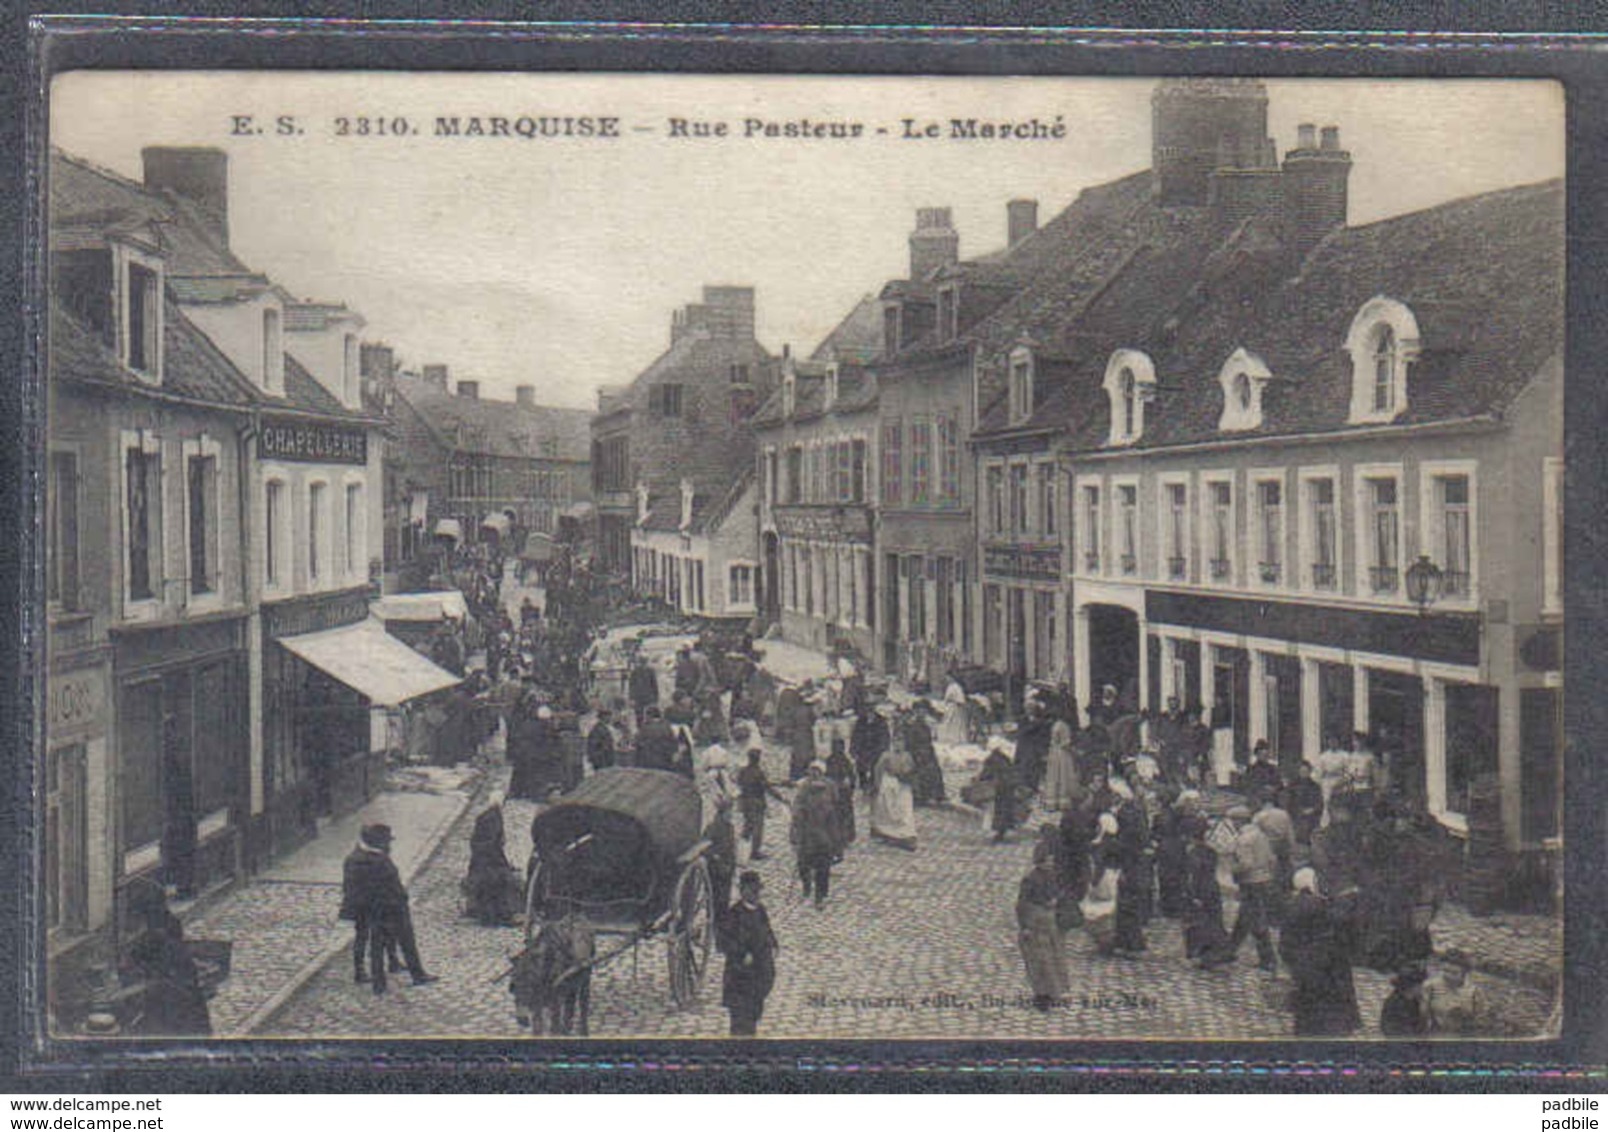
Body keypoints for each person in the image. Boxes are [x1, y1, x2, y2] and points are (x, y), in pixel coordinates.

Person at [340, 823, 438, 994]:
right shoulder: (380, 861)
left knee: (376, 945)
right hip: (392, 908)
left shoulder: (353, 859)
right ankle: (417, 974)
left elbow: (350, 886)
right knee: (407, 941)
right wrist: (402, 900)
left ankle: (378, 983)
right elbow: (393, 886)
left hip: (369, 909)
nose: (389, 845)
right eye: (387, 842)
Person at [120, 878, 211, 1036]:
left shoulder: (156, 938)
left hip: (172, 1007)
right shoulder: (168, 925)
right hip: (185, 1004)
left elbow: (157, 979)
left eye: (135, 914)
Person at [1279, 867, 1361, 1036]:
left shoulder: (1295, 904)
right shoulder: (1314, 904)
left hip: (1304, 966)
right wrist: (1348, 898)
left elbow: (1285, 944)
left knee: (1307, 1011)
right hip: (1322, 965)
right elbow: (1337, 919)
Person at [719, 871, 778, 1037]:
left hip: (759, 971)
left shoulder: (760, 910)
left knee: (754, 1011)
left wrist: (773, 943)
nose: (755, 895)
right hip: (740, 973)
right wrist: (741, 953)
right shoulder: (734, 914)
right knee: (740, 1015)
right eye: (751, 891)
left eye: (757, 891)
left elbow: (767, 930)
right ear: (742, 891)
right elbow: (726, 941)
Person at [1225, 805, 1279, 972]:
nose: (1232, 824)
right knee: (1244, 919)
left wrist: (1231, 868)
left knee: (1255, 921)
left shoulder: (1243, 839)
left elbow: (1245, 864)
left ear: (1239, 821)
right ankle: (1229, 950)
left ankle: (1268, 958)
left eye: (1233, 820)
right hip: (1264, 879)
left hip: (1250, 882)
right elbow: (1272, 858)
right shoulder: (1260, 835)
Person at [1016, 846, 1069, 1012]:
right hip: (1035, 922)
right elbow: (1022, 904)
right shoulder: (1031, 879)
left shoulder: (1052, 876)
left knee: (1052, 959)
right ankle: (1042, 995)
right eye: (1048, 860)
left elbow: (1060, 893)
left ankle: (1053, 993)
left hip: (1049, 923)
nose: (1051, 863)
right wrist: (1025, 926)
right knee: (1039, 961)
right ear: (1040, 861)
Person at [463, 791, 521, 927]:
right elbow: (492, 843)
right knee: (502, 882)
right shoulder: (493, 818)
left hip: (482, 860)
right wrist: (502, 862)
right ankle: (502, 915)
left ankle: (494, 915)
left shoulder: (489, 816)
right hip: (488, 861)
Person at [1182, 814, 1231, 967]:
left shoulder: (1193, 853)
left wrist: (1192, 894)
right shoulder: (1210, 851)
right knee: (1213, 919)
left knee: (1196, 921)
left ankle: (1198, 954)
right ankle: (1215, 950)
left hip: (1199, 889)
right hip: (1212, 888)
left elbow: (1193, 875)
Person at [791, 761, 840, 907]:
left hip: (815, 842)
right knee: (814, 868)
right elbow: (797, 822)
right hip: (815, 841)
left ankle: (816, 894)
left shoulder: (819, 806)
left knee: (817, 868)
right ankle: (815, 894)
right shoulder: (806, 805)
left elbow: (833, 826)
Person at [736, 747, 787, 861]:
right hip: (757, 803)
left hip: (745, 802)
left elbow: (738, 783)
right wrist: (780, 797)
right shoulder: (758, 772)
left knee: (747, 826)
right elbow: (767, 787)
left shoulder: (743, 771)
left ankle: (741, 851)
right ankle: (754, 852)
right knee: (757, 828)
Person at [1422, 950, 1488, 1036]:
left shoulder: (1474, 992)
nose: (1448, 976)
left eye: (1454, 973)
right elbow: (1424, 1016)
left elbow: (1481, 1021)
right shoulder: (1430, 986)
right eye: (1445, 971)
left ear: (1464, 973)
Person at [870, 740, 918, 851]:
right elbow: (878, 769)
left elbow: (912, 769)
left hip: (903, 785)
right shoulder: (886, 755)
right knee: (888, 808)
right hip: (889, 784)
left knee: (904, 809)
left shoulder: (907, 756)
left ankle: (906, 833)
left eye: (901, 742)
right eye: (896, 742)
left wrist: (906, 774)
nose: (898, 745)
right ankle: (888, 831)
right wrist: (878, 784)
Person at [977, 738, 1020, 843]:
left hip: (997, 789)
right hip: (1007, 788)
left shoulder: (990, 760)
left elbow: (985, 775)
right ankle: (1004, 829)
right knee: (1005, 809)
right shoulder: (1006, 759)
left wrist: (978, 779)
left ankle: (996, 832)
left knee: (994, 811)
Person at [903, 705, 946, 807]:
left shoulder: (926, 727)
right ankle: (922, 796)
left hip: (927, 752)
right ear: (916, 712)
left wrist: (930, 752)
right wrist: (915, 754)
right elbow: (909, 743)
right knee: (921, 772)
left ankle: (935, 795)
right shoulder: (911, 727)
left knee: (934, 771)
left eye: (924, 712)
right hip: (917, 753)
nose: (922, 714)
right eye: (920, 712)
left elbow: (929, 741)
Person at [702, 795, 738, 912]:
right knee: (715, 899)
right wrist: (715, 857)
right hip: (716, 869)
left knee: (725, 898)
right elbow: (704, 847)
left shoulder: (730, 827)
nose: (731, 815)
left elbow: (732, 847)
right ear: (722, 813)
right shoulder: (713, 827)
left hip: (727, 869)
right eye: (729, 812)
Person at [1013, 695, 1054, 795]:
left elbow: (1044, 734)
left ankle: (1033, 787)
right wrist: (1036, 724)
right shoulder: (1023, 720)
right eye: (1028, 708)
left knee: (1035, 768)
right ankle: (1025, 788)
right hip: (1025, 747)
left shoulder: (1041, 720)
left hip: (1036, 748)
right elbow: (1022, 733)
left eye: (1032, 708)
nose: (1030, 710)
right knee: (1025, 768)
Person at [824, 738, 857, 853]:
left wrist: (849, 783)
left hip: (843, 794)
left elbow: (852, 777)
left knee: (844, 816)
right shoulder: (829, 761)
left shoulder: (846, 761)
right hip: (834, 793)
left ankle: (844, 837)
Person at [849, 703, 891, 794]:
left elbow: (885, 737)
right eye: (867, 711)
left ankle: (874, 786)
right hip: (863, 749)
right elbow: (855, 736)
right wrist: (853, 749)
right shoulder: (861, 721)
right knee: (860, 765)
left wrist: (882, 750)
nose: (869, 713)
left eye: (871, 711)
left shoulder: (881, 721)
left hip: (876, 749)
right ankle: (863, 785)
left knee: (875, 767)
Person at [1381, 963, 1432, 1037]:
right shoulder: (1394, 1004)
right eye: (1420, 984)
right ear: (1412, 986)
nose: (1423, 987)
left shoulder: (1416, 999)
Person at [1283, 761, 1326, 846]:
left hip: (1312, 817)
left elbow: (1320, 802)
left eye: (1306, 772)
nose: (1304, 774)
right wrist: (1299, 811)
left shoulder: (1315, 786)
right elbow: (1287, 802)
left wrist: (1312, 809)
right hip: (1296, 816)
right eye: (1302, 771)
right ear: (1298, 772)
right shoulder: (1292, 786)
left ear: (1310, 772)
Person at [1041, 717, 1079, 811]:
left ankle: (1052, 802)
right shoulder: (1063, 726)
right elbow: (1065, 743)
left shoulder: (1055, 725)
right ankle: (1062, 802)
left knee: (1054, 777)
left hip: (1053, 753)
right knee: (1063, 777)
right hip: (1062, 755)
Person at [634, 705, 677, 772]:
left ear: (648, 715)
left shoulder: (646, 727)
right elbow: (673, 741)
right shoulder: (666, 725)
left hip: (649, 760)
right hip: (665, 759)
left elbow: (638, 741)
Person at [937, 672, 972, 746]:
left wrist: (954, 700)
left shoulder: (956, 687)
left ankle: (956, 738)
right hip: (950, 707)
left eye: (948, 678)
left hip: (955, 708)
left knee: (955, 723)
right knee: (947, 721)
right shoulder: (950, 686)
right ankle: (947, 737)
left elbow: (961, 700)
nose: (947, 679)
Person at [627, 653, 660, 726]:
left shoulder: (649, 670)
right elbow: (631, 685)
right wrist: (631, 698)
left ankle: (646, 728)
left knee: (646, 714)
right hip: (642, 696)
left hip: (645, 696)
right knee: (640, 715)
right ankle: (642, 728)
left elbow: (654, 684)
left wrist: (656, 697)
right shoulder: (636, 671)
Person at [586, 708, 618, 772]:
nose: (610, 718)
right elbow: (593, 745)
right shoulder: (598, 729)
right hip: (602, 759)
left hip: (605, 758)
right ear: (603, 717)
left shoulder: (603, 728)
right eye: (608, 716)